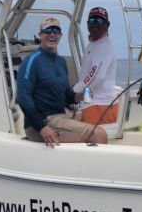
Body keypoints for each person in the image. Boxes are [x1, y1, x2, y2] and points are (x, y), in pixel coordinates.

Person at [17, 17, 108, 146]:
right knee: (99, 134)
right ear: (40, 35)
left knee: (100, 121)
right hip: (41, 124)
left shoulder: (61, 62)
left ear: (60, 36)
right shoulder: (32, 61)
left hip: (61, 117)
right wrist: (42, 127)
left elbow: (65, 95)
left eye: (56, 30)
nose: (52, 34)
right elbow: (23, 98)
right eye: (48, 31)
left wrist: (78, 96)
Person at [76, 6, 119, 126]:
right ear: (87, 23)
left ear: (107, 24)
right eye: (93, 20)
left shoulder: (103, 46)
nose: (95, 24)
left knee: (94, 143)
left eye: (100, 21)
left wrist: (75, 91)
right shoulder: (94, 44)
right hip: (91, 102)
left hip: (101, 106)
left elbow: (96, 75)